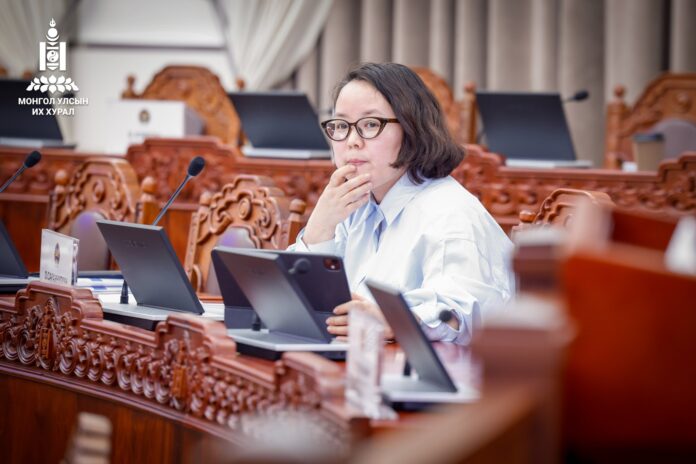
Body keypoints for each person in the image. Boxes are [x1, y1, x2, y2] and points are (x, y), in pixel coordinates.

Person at [289, 62, 513, 345]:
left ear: (412, 129)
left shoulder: (451, 213)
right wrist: (319, 229)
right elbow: (303, 306)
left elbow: (461, 314)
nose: (352, 141)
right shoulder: (354, 203)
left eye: (370, 124)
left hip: (440, 369)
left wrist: (395, 321)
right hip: (359, 359)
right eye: (342, 125)